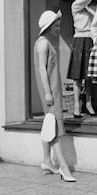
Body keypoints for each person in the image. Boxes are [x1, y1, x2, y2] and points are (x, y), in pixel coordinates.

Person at [34, 10, 76, 182]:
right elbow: (42, 69)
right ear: (48, 26)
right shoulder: (43, 44)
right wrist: (47, 93)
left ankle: (46, 160)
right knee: (55, 129)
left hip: (53, 90)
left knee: (49, 123)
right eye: (56, 25)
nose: (59, 28)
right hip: (51, 91)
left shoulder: (43, 42)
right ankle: (64, 168)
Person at [68, 0, 97, 118]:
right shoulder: (76, 5)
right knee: (77, 77)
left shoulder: (91, 8)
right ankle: (77, 106)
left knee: (89, 77)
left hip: (90, 40)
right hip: (79, 40)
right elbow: (86, 0)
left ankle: (89, 103)